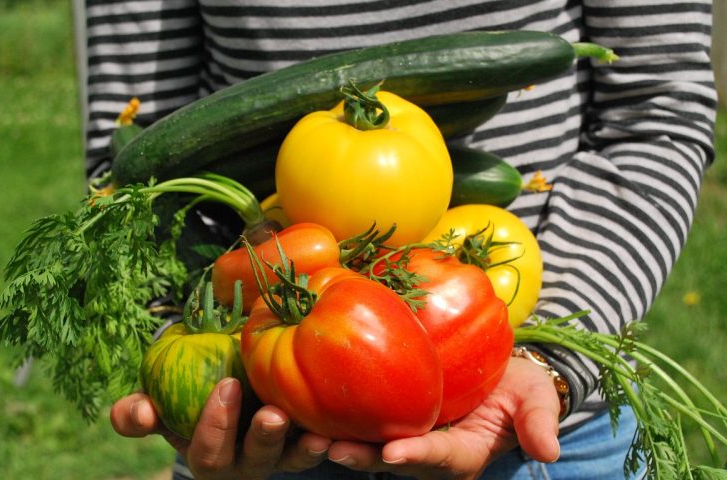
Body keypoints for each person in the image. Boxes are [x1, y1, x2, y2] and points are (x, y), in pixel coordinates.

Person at [83, 1, 717, 478]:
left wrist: (550, 361)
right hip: (259, 401)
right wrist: (181, 350)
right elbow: (131, 164)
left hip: (543, 425)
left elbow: (657, 114)